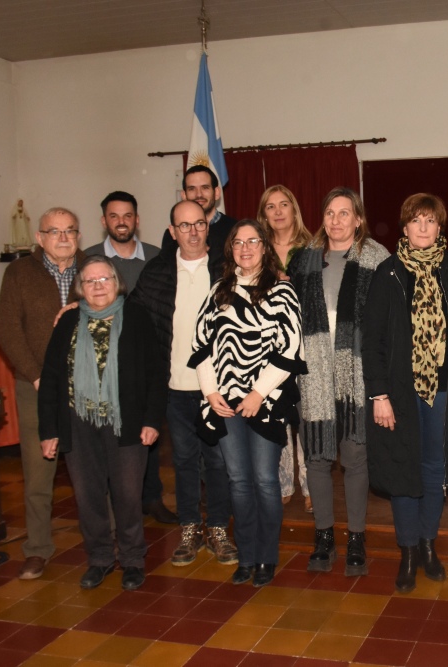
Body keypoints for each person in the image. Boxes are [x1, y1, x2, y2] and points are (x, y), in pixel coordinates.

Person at [363, 194, 448, 593]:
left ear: (439, 227)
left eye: (430, 221)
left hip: (444, 392)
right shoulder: (387, 274)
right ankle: (408, 551)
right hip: (398, 393)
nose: (423, 228)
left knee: (433, 469)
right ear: (404, 227)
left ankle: (429, 546)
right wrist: (379, 395)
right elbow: (372, 340)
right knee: (401, 470)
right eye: (416, 221)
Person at [37, 256, 166, 591]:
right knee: (88, 496)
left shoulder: (136, 317)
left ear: (116, 282)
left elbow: (155, 372)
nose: (97, 286)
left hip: (127, 422)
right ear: (81, 287)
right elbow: (51, 377)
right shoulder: (68, 322)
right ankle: (99, 559)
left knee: (127, 494)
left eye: (104, 279)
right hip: (77, 423)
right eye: (90, 281)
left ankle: (133, 560)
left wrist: (153, 420)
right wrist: (48, 430)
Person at [191, 219, 305, 587]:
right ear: (231, 250)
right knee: (238, 481)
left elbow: (290, 347)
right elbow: (201, 346)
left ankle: (266, 558)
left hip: (266, 402)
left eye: (252, 241)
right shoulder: (218, 291)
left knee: (265, 481)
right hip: (224, 402)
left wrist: (258, 394)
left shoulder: (282, 290)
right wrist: (211, 393)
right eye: (238, 243)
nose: (245, 248)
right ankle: (248, 554)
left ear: (265, 246)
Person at [130, 200, 238, 567]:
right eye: (184, 225)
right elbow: (131, 316)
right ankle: (190, 528)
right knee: (185, 461)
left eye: (199, 224)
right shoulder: (156, 272)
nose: (192, 231)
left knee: (219, 463)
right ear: (172, 231)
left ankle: (219, 528)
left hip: (220, 388)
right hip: (175, 388)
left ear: (208, 227)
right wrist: (80, 305)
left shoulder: (228, 270)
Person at [288, 187, 389, 577]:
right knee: (316, 456)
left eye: (344, 213)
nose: (336, 220)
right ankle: (324, 536)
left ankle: (357, 538)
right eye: (330, 213)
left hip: (357, 373)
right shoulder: (304, 261)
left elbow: (384, 324)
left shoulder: (378, 258)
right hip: (312, 373)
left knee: (354, 456)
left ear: (358, 219)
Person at [0, 206, 86, 580]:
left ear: (78, 236)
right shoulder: (19, 273)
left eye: (69, 231)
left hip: (87, 385)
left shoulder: (93, 268)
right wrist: (36, 376)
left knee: (95, 467)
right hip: (35, 387)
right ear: (39, 237)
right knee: (38, 472)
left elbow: (118, 311)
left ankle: (110, 538)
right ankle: (36, 549)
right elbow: (8, 331)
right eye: (54, 231)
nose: (63, 238)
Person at [84, 191, 174, 525]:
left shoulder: (156, 256)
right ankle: (120, 508)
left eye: (127, 215)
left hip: (147, 363)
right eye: (114, 215)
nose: (121, 221)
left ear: (137, 219)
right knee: (108, 443)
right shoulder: (89, 259)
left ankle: (151, 498)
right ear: (104, 220)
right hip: (101, 370)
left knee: (148, 436)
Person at [257, 185, 313, 513]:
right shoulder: (256, 249)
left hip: (305, 344)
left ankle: (309, 486)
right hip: (268, 347)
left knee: (304, 418)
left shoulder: (313, 247)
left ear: (294, 209)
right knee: (276, 416)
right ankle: (283, 483)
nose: (278, 212)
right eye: (270, 207)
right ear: (263, 214)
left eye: (283, 205)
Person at [159, 165, 237, 272]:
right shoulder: (172, 234)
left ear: (217, 193)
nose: (199, 194)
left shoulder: (236, 229)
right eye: (192, 189)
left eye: (205, 188)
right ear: (184, 195)